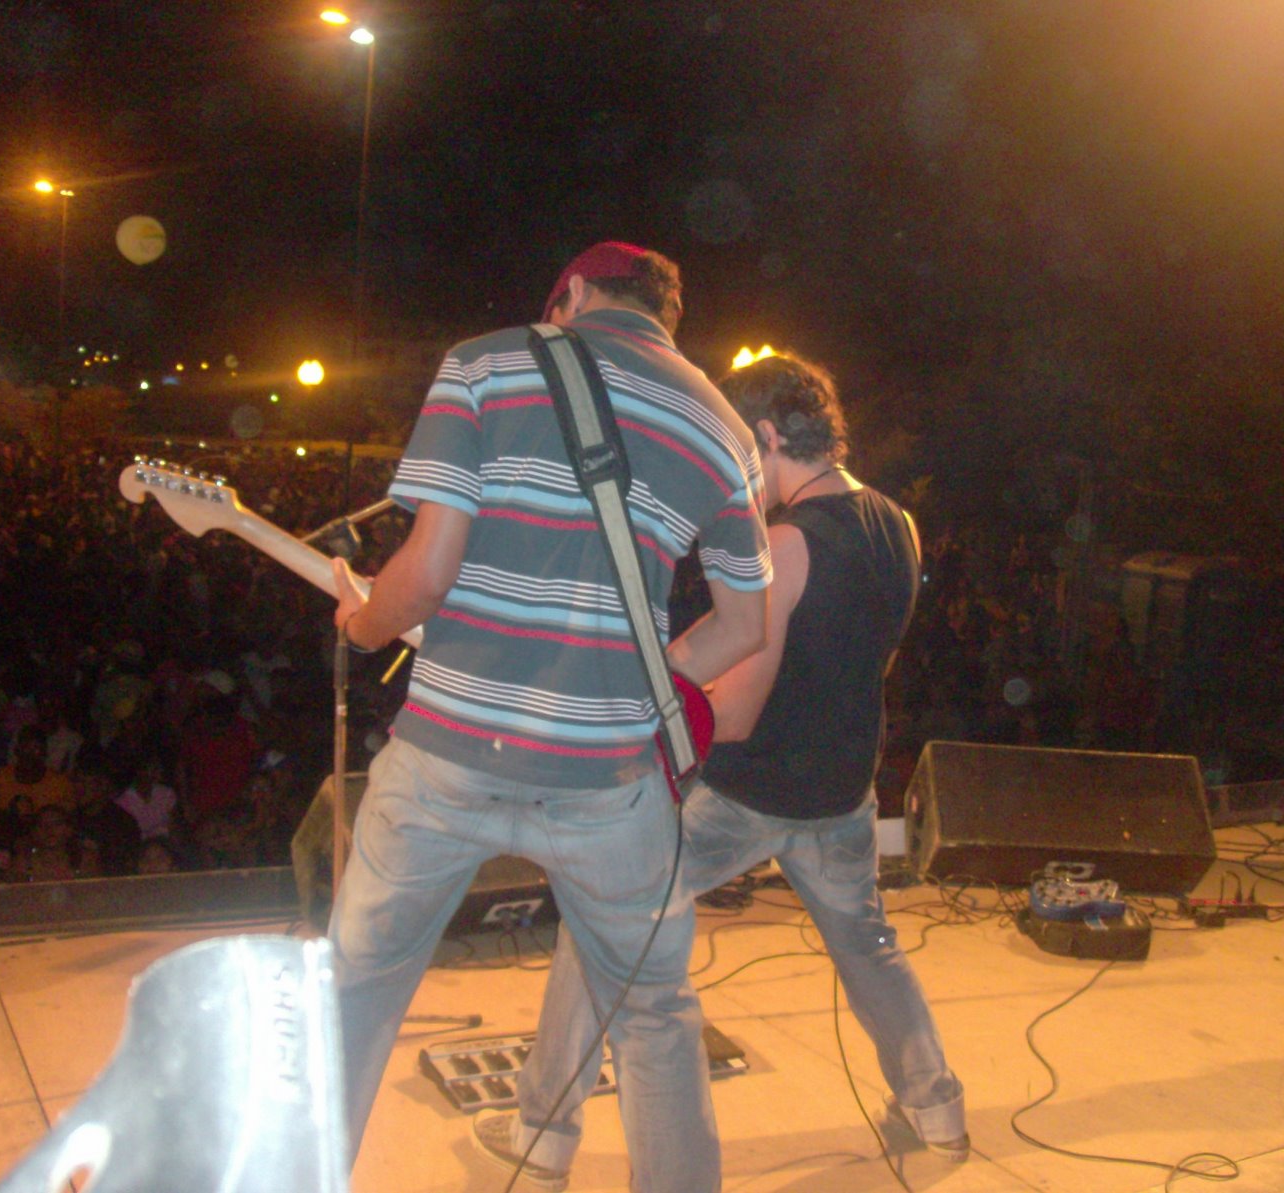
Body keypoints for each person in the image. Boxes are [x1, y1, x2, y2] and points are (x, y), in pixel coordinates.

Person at [327, 241, 771, 1191]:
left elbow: (428, 569)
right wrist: (636, 682)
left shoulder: (485, 363)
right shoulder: (724, 428)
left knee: (355, 996)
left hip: (448, 755)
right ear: (665, 316)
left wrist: (362, 623)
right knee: (652, 1015)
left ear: (570, 294)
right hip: (608, 780)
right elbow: (745, 624)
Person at [474, 353, 968, 1189]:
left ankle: (542, 1133)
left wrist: (637, 696)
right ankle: (937, 1108)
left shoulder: (786, 543)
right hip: (843, 791)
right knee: (869, 947)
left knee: (598, 922)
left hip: (748, 796)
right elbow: (854, 662)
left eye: (740, 454)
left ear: (767, 436)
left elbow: (732, 714)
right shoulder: (898, 524)